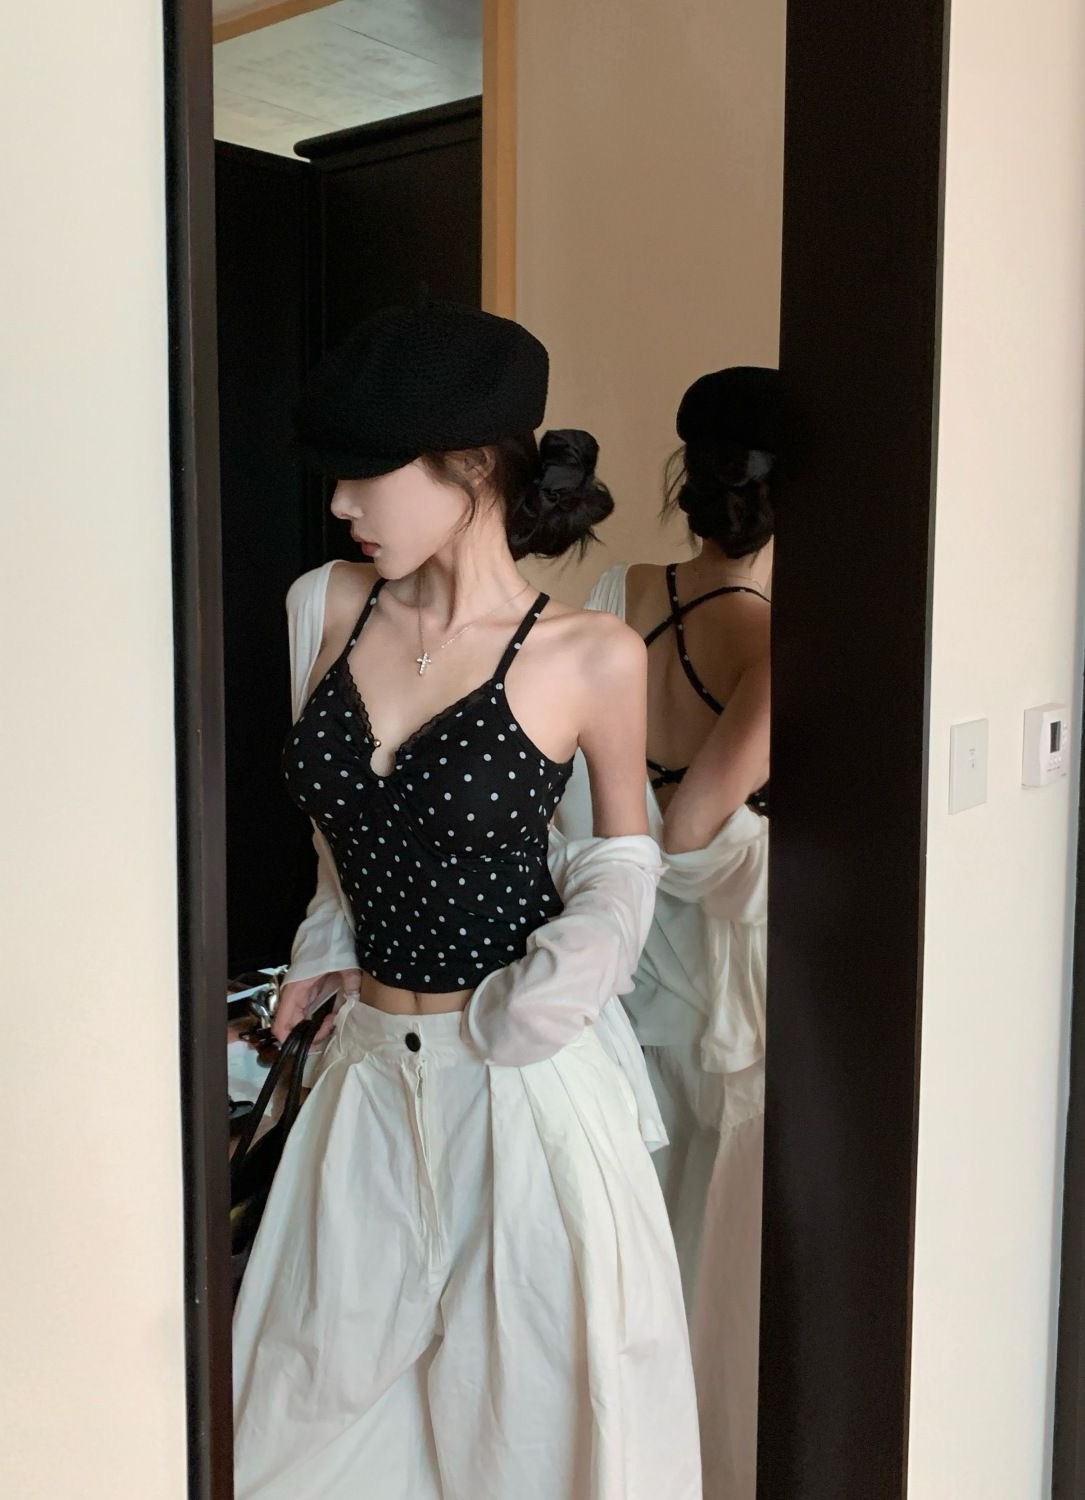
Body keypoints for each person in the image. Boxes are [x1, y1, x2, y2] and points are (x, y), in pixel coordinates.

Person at [231, 295, 702, 1500]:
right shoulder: (322, 606)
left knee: (533, 1443)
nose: (342, 503)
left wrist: (566, 982)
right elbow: (339, 831)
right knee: (297, 1432)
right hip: (363, 1080)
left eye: (366, 473)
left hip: (522, 1091)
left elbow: (622, 854)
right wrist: (326, 941)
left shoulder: (588, 653)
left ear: (473, 467)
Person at [554, 366, 781, 1500]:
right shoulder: (773, 643)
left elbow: (598, 807)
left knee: (623, 1230)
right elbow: (690, 832)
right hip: (723, 991)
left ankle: (612, 1459)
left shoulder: (618, 590)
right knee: (711, 1251)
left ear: (688, 475)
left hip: (616, 962)